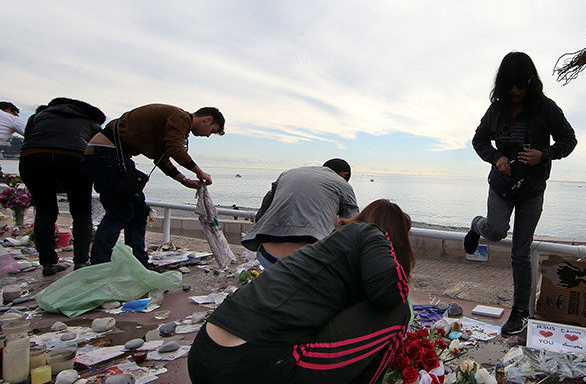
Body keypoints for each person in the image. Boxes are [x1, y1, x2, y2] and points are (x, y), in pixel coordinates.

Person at [188, 199, 414, 384]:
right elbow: (391, 295)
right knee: (396, 313)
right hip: (256, 372)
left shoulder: (323, 251)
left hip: (204, 363)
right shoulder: (373, 234)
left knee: (285, 330)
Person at [464, 52, 577, 335]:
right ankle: (477, 225)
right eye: (510, 85)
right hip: (501, 186)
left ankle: (520, 311)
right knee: (497, 231)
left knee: (521, 252)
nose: (515, 91)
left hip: (532, 190)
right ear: (502, 85)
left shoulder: (546, 108)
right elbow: (478, 140)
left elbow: (569, 139)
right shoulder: (496, 110)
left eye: (520, 85)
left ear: (530, 82)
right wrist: (495, 157)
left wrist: (546, 154)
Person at [81, 104, 224, 266]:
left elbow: (160, 158)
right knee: (120, 212)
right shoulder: (180, 118)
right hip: (107, 155)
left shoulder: (174, 123)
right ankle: (100, 265)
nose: (208, 136)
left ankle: (138, 263)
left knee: (139, 211)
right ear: (208, 119)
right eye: (211, 131)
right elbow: (175, 149)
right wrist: (199, 172)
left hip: (107, 155)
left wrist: (184, 180)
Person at [19, 98, 106, 276]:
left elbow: (29, 139)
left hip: (33, 158)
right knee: (81, 212)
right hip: (74, 158)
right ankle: (81, 262)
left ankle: (48, 264)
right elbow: (96, 151)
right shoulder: (92, 122)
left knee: (45, 210)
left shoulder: (39, 116)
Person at [241, 159, 359, 268]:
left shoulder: (287, 174)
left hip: (266, 254)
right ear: (344, 175)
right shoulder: (342, 184)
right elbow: (352, 226)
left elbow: (265, 205)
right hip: (307, 261)